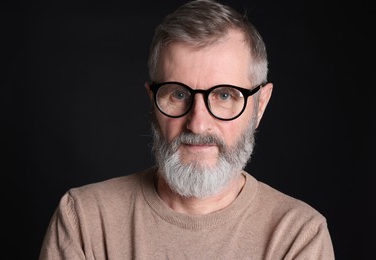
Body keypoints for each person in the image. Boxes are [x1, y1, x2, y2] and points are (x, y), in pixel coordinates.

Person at [39, 0, 335, 259]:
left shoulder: (298, 235)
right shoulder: (85, 220)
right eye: (178, 94)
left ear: (260, 106)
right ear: (153, 102)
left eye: (223, 95)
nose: (198, 123)